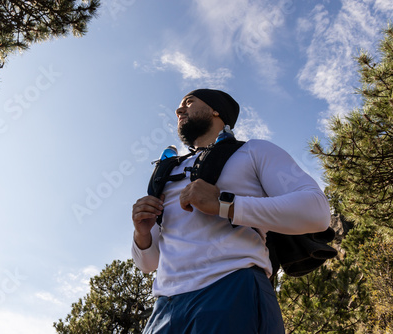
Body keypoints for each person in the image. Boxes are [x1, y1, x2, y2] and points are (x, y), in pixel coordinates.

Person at [131, 89, 331, 333]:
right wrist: (142, 234)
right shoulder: (165, 172)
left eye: (189, 102)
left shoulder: (254, 151)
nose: (179, 110)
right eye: (179, 106)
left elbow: (317, 211)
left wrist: (224, 205)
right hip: (164, 308)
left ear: (216, 110)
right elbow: (148, 264)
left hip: (232, 287)